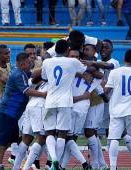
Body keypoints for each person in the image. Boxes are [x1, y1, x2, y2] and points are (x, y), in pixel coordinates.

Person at [83, 39, 131, 169]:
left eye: (107, 47)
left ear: (112, 50)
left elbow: (106, 67)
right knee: (95, 131)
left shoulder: (113, 62)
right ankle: (101, 163)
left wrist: (92, 64)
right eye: (102, 47)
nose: (104, 49)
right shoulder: (98, 63)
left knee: (116, 133)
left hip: (112, 102)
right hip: (99, 101)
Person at [0, 52, 47, 170]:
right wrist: (44, 94)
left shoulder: (23, 72)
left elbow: (33, 74)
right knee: (3, 139)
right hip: (7, 111)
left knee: (11, 139)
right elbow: (27, 91)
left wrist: (48, 66)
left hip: (12, 114)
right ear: (22, 64)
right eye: (28, 62)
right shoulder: (18, 74)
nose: (31, 63)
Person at [41, 39, 88, 169]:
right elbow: (85, 70)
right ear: (68, 50)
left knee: (49, 133)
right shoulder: (73, 61)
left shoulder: (47, 62)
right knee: (62, 134)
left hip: (50, 100)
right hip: (65, 101)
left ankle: (53, 159)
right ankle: (55, 164)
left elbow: (44, 77)